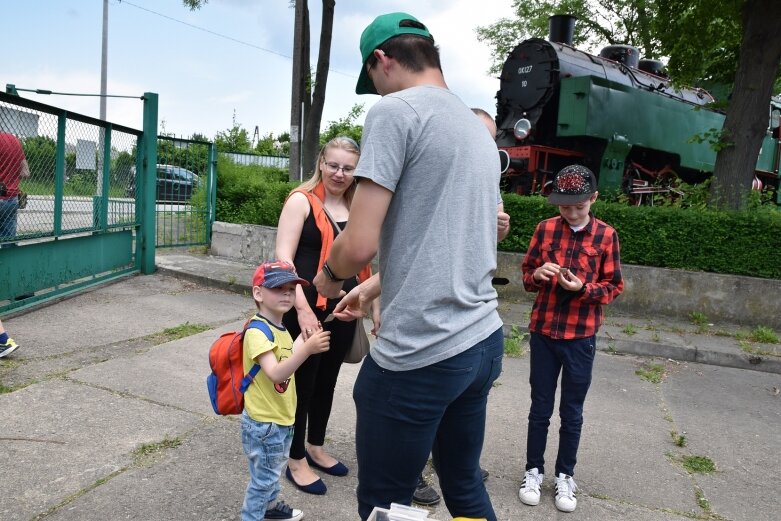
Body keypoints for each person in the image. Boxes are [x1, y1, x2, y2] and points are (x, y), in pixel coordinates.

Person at [313, 12, 504, 521]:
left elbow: (357, 243)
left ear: (382, 59)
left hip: (423, 350)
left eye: (372, 80)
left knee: (385, 502)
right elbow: (450, 240)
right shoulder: (475, 127)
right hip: (482, 340)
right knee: (463, 483)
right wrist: (374, 288)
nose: (377, 92)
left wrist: (331, 278)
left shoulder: (397, 111)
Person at [413, 107, 507, 507]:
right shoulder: (438, 175)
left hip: (473, 323)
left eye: (489, 141)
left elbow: (479, 252)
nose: (482, 148)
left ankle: (454, 463)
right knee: (420, 411)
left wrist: (497, 229)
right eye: (477, 137)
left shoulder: (487, 180)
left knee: (459, 448)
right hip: (429, 321)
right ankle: (420, 472)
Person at [517, 165, 623, 513]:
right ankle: (533, 469)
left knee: (572, 411)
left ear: (593, 198)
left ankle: (565, 475)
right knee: (540, 407)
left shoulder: (607, 236)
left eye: (579, 206)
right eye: (564, 206)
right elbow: (527, 276)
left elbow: (614, 286)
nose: (571, 212)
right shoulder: (545, 229)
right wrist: (536, 273)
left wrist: (584, 289)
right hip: (544, 330)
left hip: (581, 335)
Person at [275, 136, 376, 495]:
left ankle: (316, 444)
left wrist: (367, 305)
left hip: (343, 311)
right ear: (321, 162)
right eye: (333, 164)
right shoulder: (301, 202)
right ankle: (295, 456)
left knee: (327, 381)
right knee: (302, 384)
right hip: (304, 309)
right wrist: (301, 309)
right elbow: (283, 262)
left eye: (348, 168)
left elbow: (364, 263)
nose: (339, 173)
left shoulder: (358, 207)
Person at [240, 260, 331, 521]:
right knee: (263, 479)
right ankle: (253, 516)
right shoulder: (257, 331)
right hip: (264, 422)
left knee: (271, 472)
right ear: (258, 293)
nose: (287, 294)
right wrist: (307, 350)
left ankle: (269, 510)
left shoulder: (279, 328)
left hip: (279, 418)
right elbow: (277, 373)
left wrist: (303, 340)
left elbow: (285, 357)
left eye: (291, 289)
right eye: (279, 288)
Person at [0, 132, 30, 243]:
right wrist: (10, 172)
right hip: (11, 199)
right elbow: (26, 173)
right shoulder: (15, 140)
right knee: (9, 241)